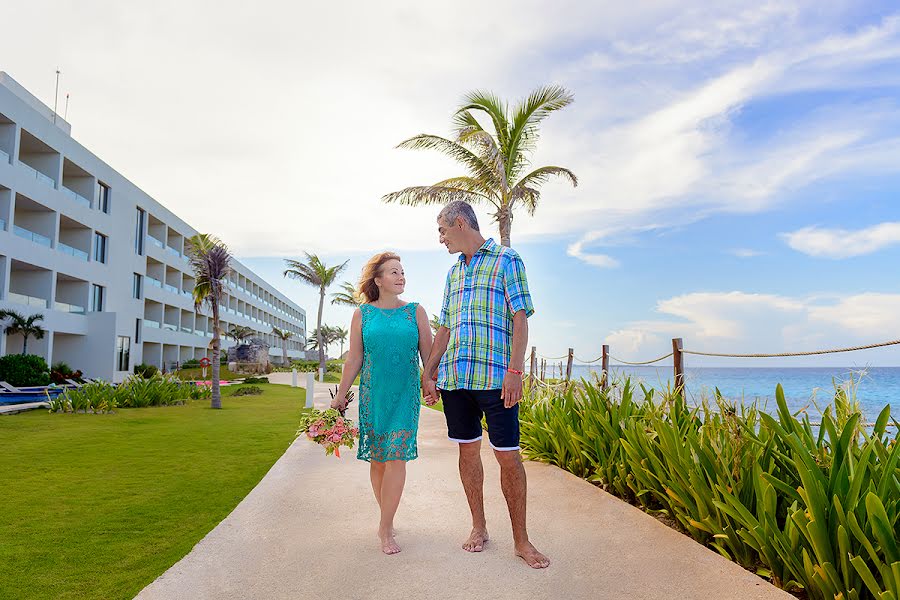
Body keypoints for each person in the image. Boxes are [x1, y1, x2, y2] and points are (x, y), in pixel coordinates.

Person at [422, 200, 550, 569]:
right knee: (466, 453)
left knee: (508, 457)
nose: (441, 238)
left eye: (442, 230)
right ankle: (479, 527)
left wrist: (516, 371)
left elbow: (520, 318)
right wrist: (429, 372)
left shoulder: (507, 260)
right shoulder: (453, 274)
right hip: (457, 380)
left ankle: (522, 541)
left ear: (460, 223)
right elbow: (444, 328)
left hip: (496, 379)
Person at [331, 252, 434, 555]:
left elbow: (428, 355)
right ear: (378, 280)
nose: (401, 277)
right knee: (377, 460)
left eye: (402, 272)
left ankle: (384, 528)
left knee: (396, 457)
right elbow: (355, 358)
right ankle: (387, 519)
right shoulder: (363, 314)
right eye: (394, 272)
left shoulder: (415, 312)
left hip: (405, 396)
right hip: (372, 395)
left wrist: (430, 383)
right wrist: (340, 395)